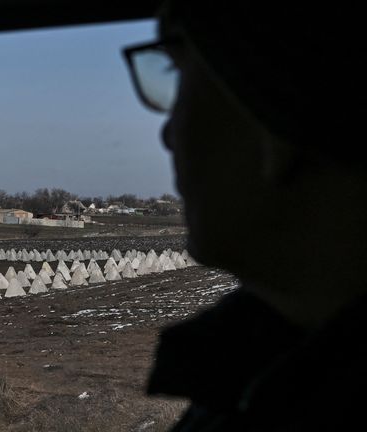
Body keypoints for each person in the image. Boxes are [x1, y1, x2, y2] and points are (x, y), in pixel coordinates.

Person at [122, 1, 366, 430]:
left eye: (182, 74)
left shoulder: (274, 385)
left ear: (272, 118)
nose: (167, 133)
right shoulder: (257, 370)